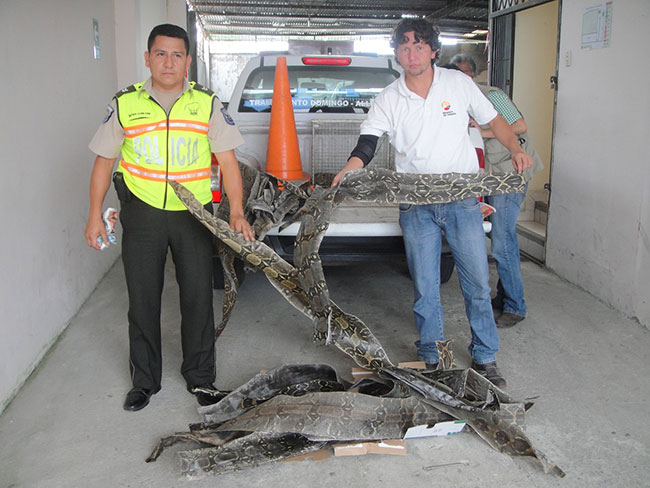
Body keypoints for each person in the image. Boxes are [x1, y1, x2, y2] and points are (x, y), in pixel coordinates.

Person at [332, 19, 533, 388]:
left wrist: (516, 149)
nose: (412, 53)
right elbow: (368, 143)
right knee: (425, 287)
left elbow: (495, 120)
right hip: (416, 205)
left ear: (433, 50)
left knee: (475, 283)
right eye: (405, 46)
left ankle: (486, 356)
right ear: (396, 53)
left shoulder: (458, 84)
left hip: (461, 201)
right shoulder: (388, 98)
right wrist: (350, 167)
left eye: (420, 46)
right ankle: (431, 356)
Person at [84, 24, 254, 412]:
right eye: (160, 54)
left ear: (188, 62)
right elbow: (104, 160)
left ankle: (201, 379)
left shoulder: (206, 104)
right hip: (142, 212)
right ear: (147, 58)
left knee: (197, 297)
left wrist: (238, 212)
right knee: (142, 299)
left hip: (193, 213)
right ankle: (144, 381)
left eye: (177, 55)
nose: (168, 62)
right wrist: (94, 215)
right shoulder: (126, 104)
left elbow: (228, 161)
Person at [451, 54, 544, 328]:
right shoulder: (456, 102)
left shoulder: (492, 94)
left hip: (510, 173)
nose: (461, 79)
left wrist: (483, 131)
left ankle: (515, 305)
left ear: (474, 75)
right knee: (497, 238)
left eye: (465, 73)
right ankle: (504, 297)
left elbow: (519, 125)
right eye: (455, 74)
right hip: (488, 177)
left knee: (503, 240)